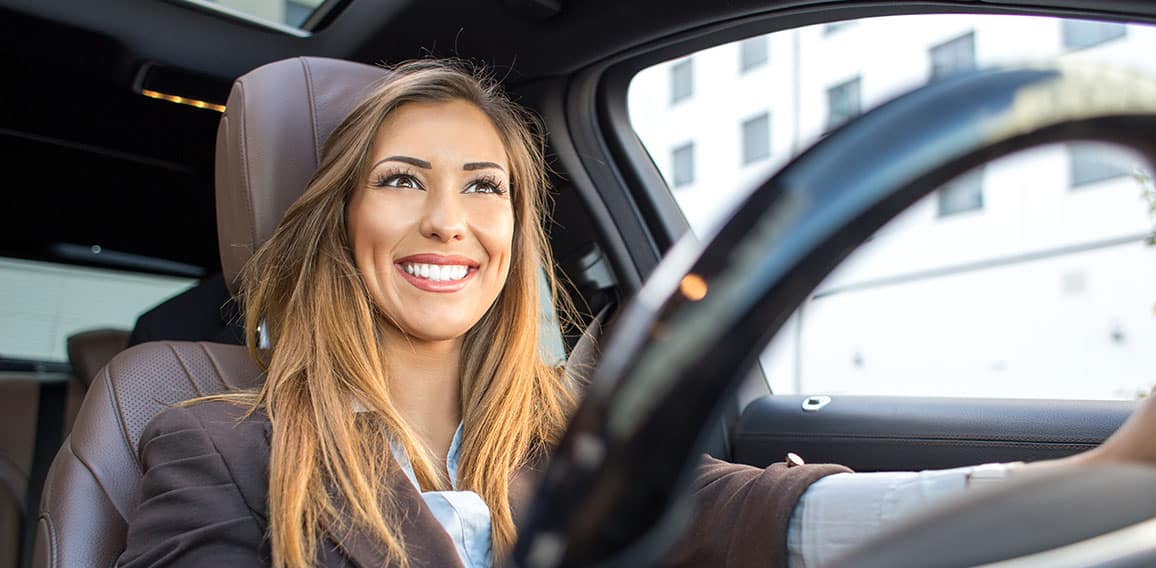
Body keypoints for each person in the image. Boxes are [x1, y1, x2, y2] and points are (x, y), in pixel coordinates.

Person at [117, 59, 1156, 568]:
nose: (447, 222)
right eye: (401, 180)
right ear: (340, 223)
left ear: (517, 234)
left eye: (485, 187)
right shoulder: (212, 442)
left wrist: (1102, 479)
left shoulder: (571, 428)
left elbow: (764, 515)